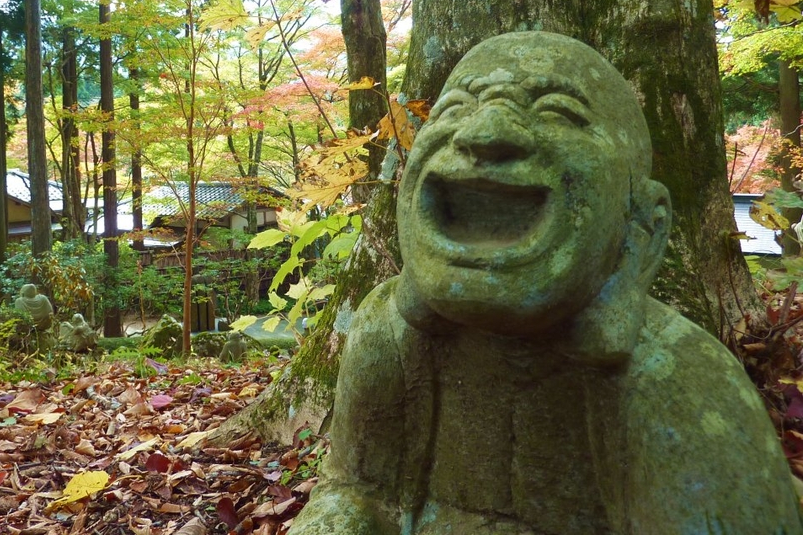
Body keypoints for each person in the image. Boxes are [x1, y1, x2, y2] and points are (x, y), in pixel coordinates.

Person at [289, 32, 803, 535]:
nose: (484, 132)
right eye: (454, 109)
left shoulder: (678, 383)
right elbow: (353, 492)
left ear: (643, 225)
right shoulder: (385, 335)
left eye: (557, 112)